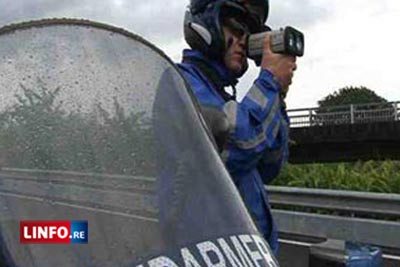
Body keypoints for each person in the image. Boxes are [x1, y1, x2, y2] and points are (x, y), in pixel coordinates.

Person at [177, 0, 297, 254]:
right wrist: (270, 82)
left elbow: (268, 164)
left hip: (244, 254)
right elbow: (237, 146)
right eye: (234, 28)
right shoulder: (179, 83)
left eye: (249, 33)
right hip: (205, 253)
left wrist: (279, 95)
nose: (244, 40)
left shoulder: (223, 97)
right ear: (206, 22)